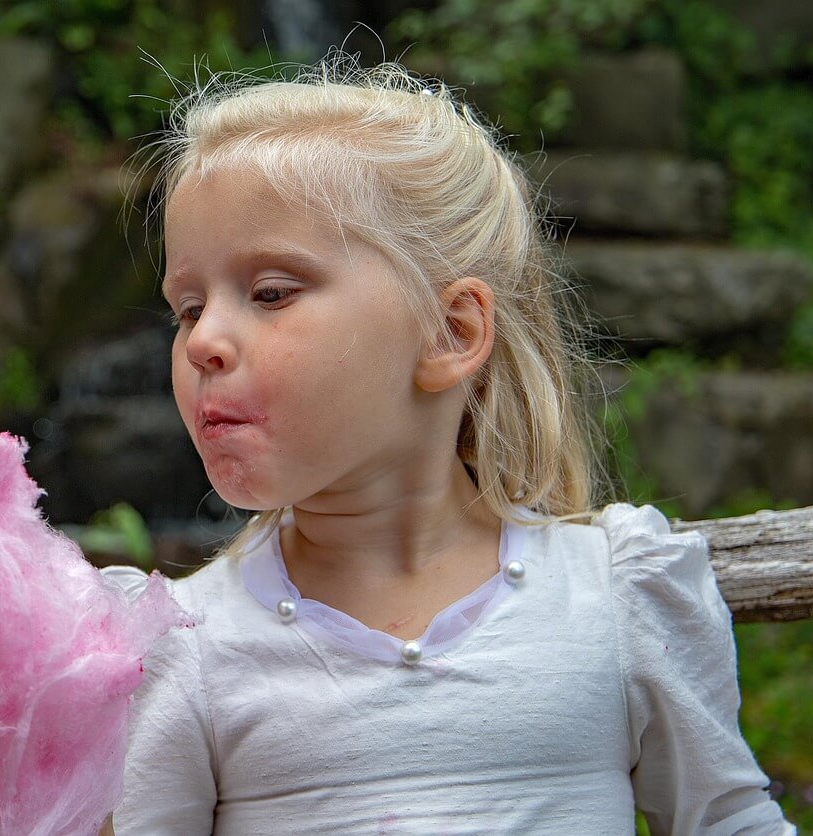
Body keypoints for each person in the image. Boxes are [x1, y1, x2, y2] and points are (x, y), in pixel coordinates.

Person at [99, 55, 796, 835]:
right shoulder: (188, 648)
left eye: (270, 293)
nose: (204, 343)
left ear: (449, 332)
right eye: (187, 308)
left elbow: (730, 821)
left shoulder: (615, 597)